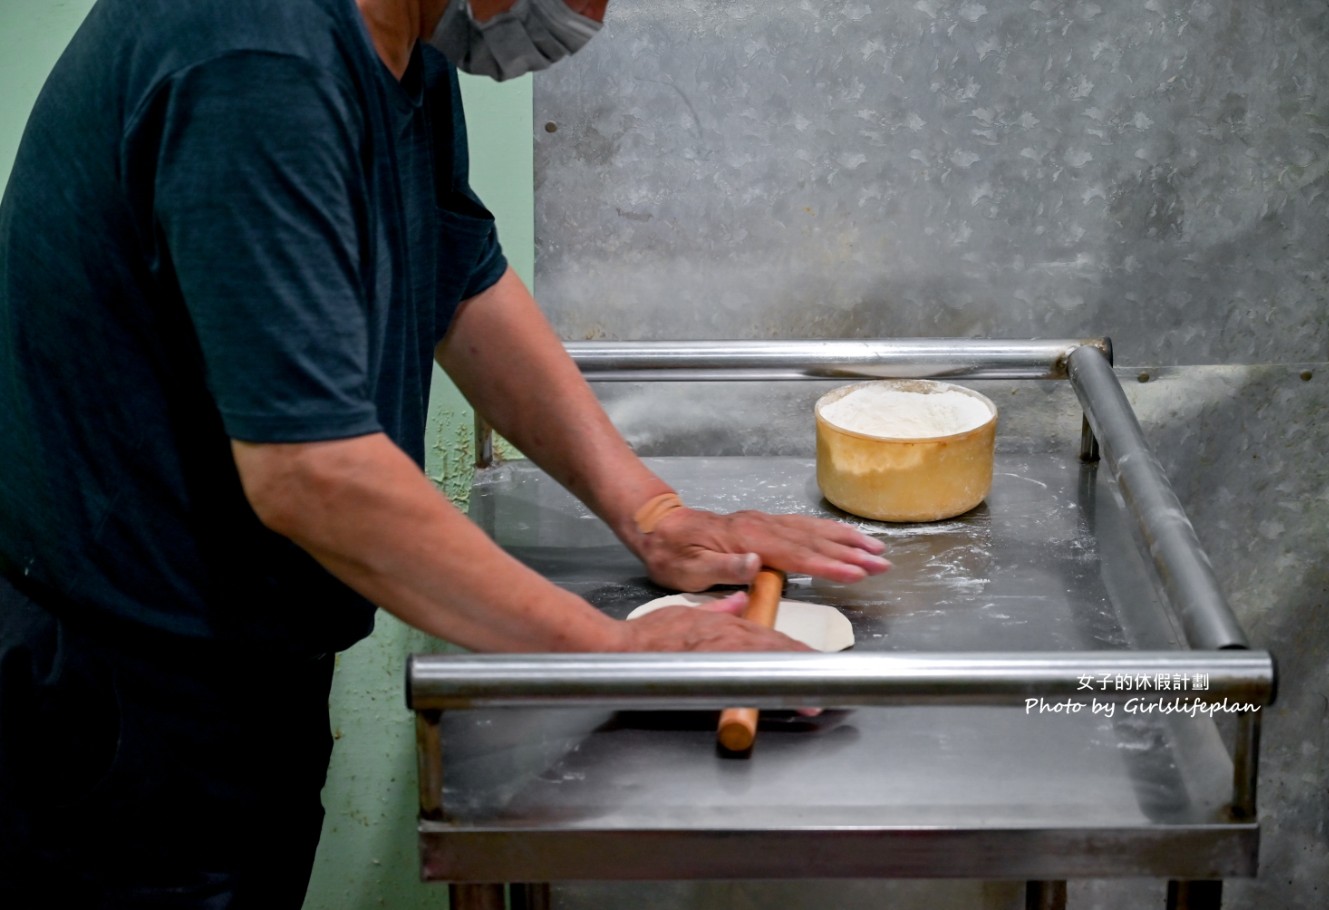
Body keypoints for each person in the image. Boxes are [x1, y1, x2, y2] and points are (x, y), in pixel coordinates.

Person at [0, 0, 890, 905]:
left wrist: (654, 514)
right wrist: (614, 652)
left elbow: (459, 279)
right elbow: (311, 473)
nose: (588, 13)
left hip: (238, 662)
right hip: (118, 700)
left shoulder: (397, 43)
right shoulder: (252, 58)